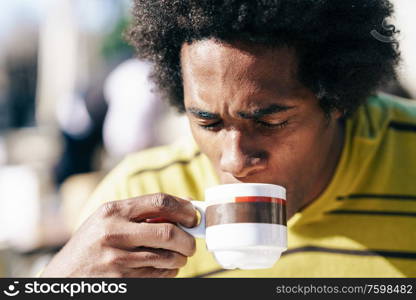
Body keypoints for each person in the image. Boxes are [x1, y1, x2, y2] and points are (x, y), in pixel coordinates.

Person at [41, 0, 416, 277]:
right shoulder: (137, 199)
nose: (233, 160)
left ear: (337, 98)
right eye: (208, 122)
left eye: (270, 122)